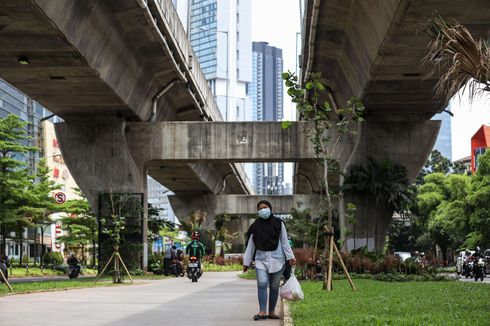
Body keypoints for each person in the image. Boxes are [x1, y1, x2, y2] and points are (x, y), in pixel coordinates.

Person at [243, 200, 296, 321]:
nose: (263, 210)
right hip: (261, 260)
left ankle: (271, 312)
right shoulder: (255, 226)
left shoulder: (279, 223)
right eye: (260, 208)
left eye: (265, 207)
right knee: (261, 284)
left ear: (270, 208)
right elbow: (251, 245)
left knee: (274, 286)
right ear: (258, 211)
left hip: (278, 259)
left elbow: (284, 241)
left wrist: (291, 257)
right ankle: (262, 312)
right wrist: (246, 262)